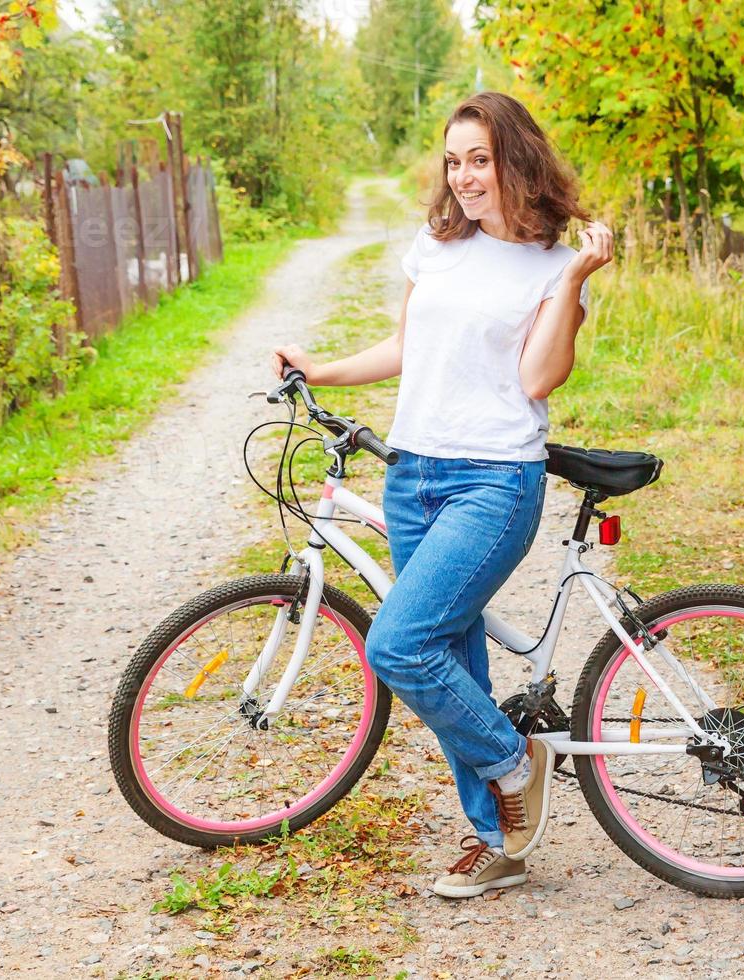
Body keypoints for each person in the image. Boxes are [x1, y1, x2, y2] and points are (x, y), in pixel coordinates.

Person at [269, 91, 613, 899]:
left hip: (493, 480)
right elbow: (405, 344)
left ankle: (513, 763)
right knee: (453, 661)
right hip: (413, 474)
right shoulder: (434, 246)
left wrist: (577, 279)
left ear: (515, 162)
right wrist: (317, 369)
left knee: (399, 646)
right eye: (453, 161)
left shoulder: (552, 265)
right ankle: (499, 840)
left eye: (479, 160)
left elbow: (538, 376)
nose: (462, 177)